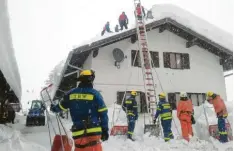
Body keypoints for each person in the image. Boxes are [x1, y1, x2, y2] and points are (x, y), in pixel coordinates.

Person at [50, 69, 109, 151]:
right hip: (94, 133)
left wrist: (53, 108)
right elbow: (103, 113)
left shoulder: (71, 93)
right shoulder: (95, 94)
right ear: (91, 80)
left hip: (78, 134)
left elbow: (61, 107)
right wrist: (105, 130)